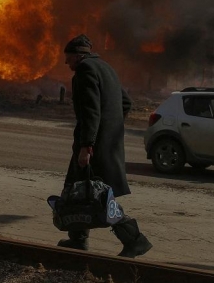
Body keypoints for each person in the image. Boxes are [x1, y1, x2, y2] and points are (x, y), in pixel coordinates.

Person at [57, 34, 153, 258]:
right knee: (78, 191)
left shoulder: (85, 70)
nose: (66, 63)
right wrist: (112, 127)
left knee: (96, 195)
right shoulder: (106, 67)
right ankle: (77, 239)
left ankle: (135, 240)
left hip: (93, 147)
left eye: (68, 58)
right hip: (108, 144)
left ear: (79, 56)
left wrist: (86, 146)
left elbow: (91, 112)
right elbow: (125, 102)